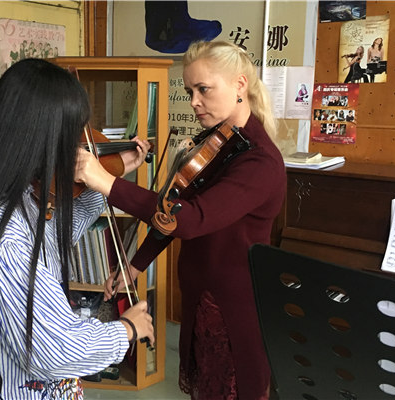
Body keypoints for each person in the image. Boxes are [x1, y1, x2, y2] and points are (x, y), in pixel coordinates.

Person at [76, 40, 286, 400]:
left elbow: (187, 219)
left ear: (239, 85)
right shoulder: (218, 143)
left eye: (203, 89)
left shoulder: (259, 162)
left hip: (232, 308)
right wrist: (135, 265)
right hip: (200, 296)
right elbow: (174, 205)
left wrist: (107, 182)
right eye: (190, 90)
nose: (194, 101)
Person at [0, 58, 155, 399]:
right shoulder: (5, 236)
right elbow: (56, 351)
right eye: (72, 138)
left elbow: (59, 235)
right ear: (39, 137)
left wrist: (111, 177)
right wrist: (126, 329)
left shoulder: (10, 197)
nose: (80, 152)